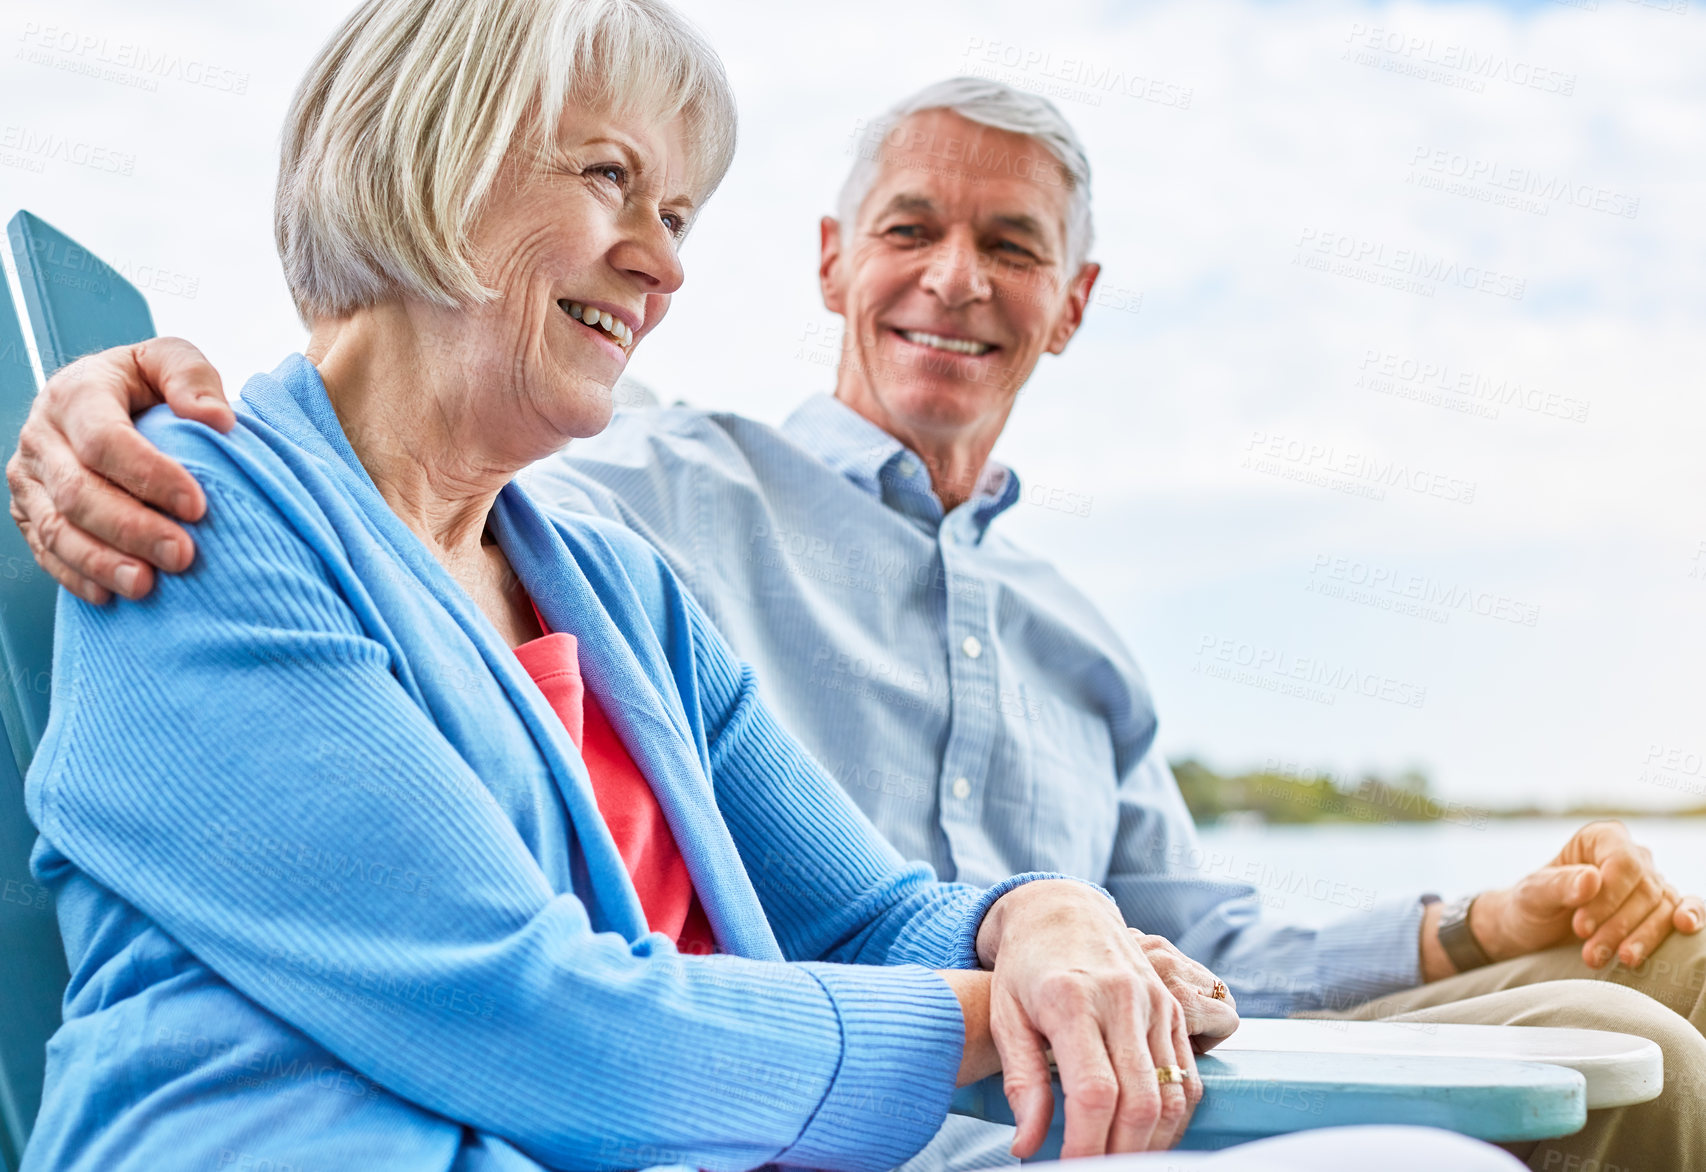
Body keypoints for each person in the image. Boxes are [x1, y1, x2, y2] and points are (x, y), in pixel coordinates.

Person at [3, 51, 1673, 1172]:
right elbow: (541, 1018)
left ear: (1070, 302)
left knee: (1643, 1017)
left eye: (678, 215)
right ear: (431, 168)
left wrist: (1045, 922)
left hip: (752, 1121)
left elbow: (883, 909)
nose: (660, 264)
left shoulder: (609, 583)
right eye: (612, 181)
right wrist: (96, 396)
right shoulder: (223, 514)